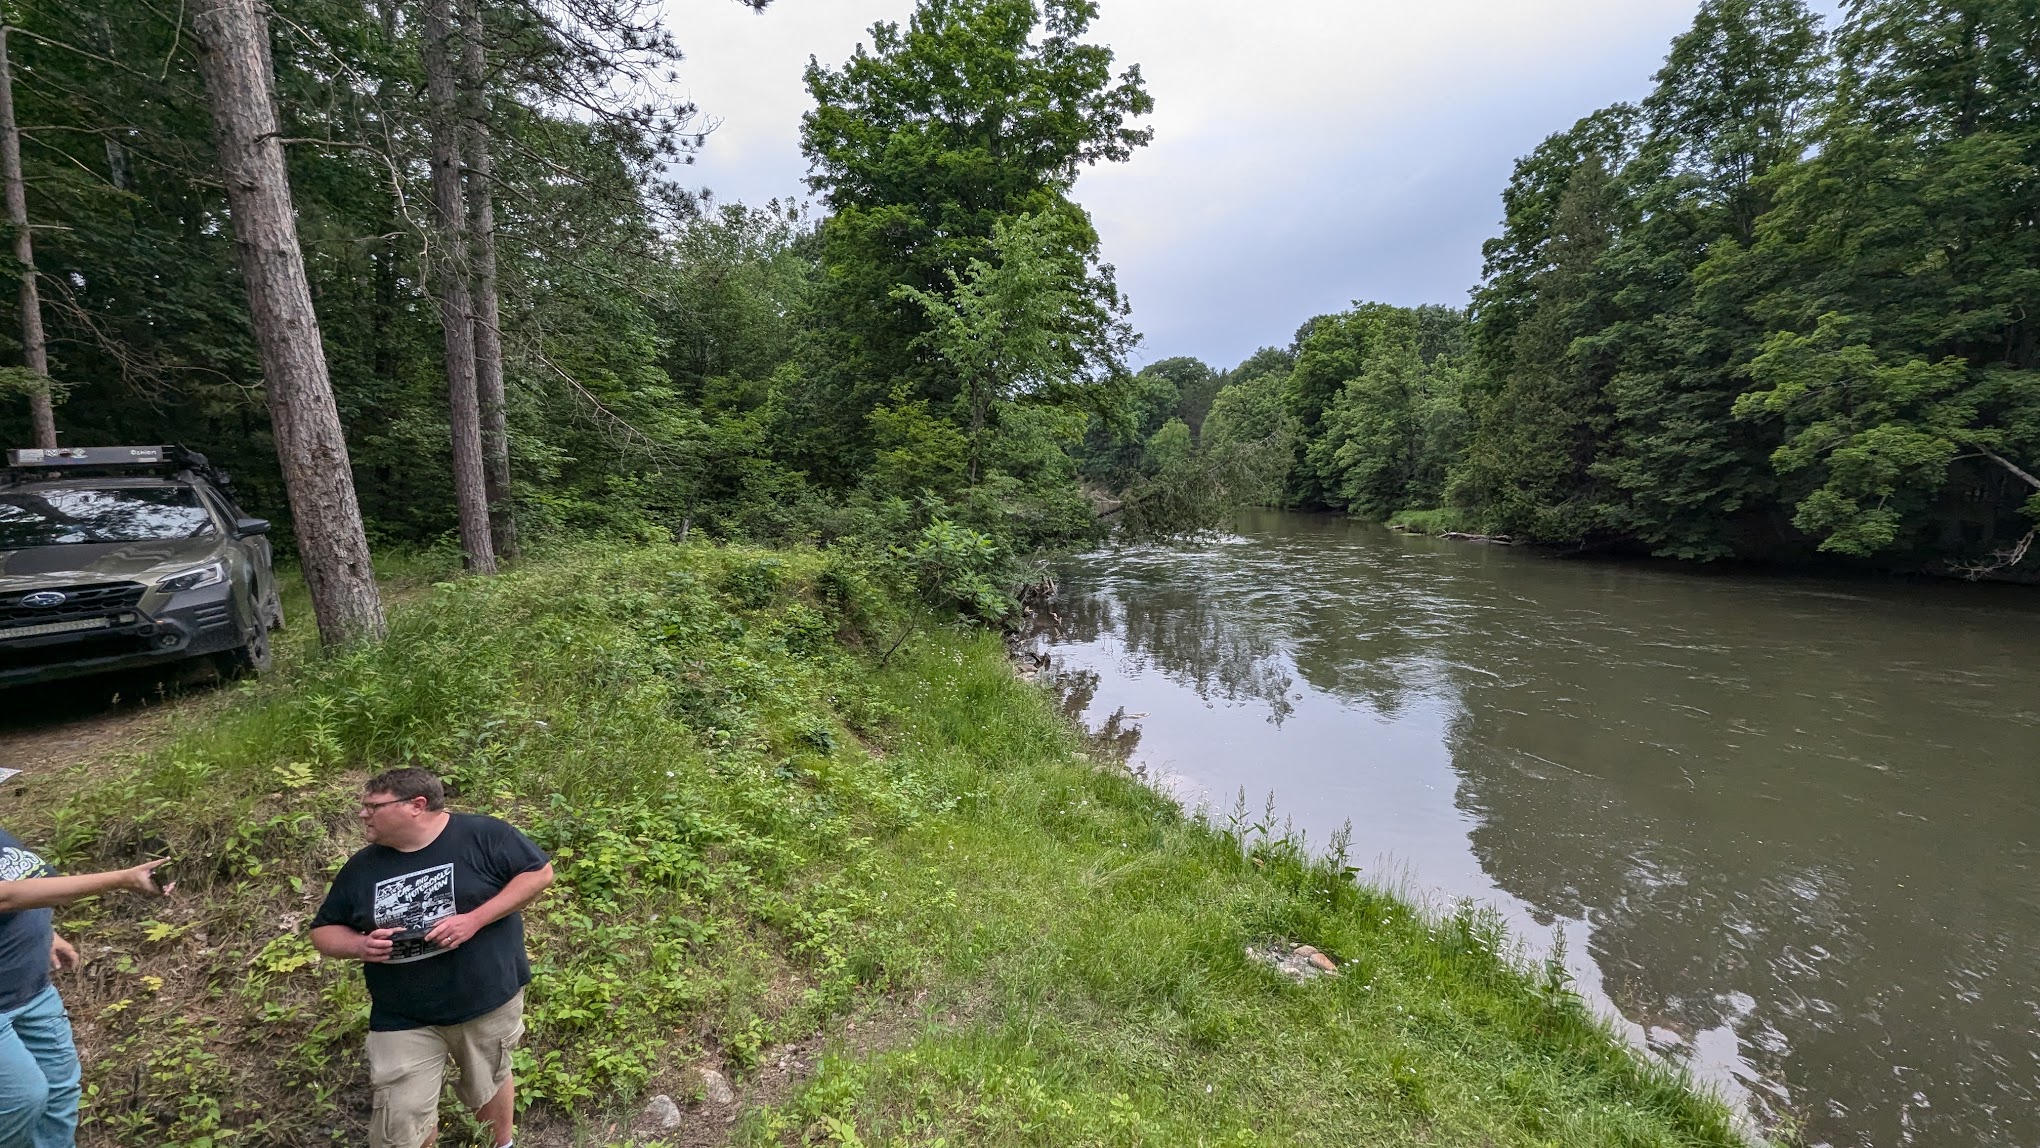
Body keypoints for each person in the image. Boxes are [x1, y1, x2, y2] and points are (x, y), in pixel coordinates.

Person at [309, 768, 554, 1148]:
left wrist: (474, 920)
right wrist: (359, 946)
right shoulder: (362, 867)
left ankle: (501, 1145)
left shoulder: (482, 835)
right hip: (402, 1014)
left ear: (416, 806)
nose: (362, 814)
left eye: (373, 805)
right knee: (401, 1113)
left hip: (484, 998)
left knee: (487, 1083)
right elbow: (323, 931)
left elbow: (538, 874)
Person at [0, 830, 173, 1148]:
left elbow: (22, 884)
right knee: (22, 1099)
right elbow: (6, 896)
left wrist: (47, 933)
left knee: (59, 1093)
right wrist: (123, 878)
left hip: (33, 990)